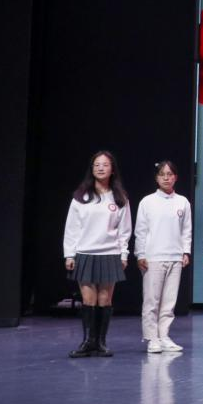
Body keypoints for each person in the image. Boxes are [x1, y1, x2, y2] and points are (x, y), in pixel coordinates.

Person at [63, 150, 132, 358]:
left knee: (105, 299)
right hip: (85, 253)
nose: (101, 168)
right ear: (92, 169)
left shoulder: (119, 198)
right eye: (97, 165)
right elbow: (72, 228)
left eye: (105, 164)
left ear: (112, 170)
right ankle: (88, 342)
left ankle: (101, 343)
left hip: (110, 254)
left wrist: (123, 254)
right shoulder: (81, 196)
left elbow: (124, 230)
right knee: (88, 298)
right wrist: (69, 254)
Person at [134, 160, 192, 354]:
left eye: (170, 174)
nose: (166, 178)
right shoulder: (147, 202)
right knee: (152, 300)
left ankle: (164, 336)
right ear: (156, 178)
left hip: (175, 257)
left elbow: (186, 230)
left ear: (175, 177)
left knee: (169, 301)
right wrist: (140, 254)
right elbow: (141, 231)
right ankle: (152, 338)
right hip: (153, 257)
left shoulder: (182, 202)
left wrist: (185, 252)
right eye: (162, 174)